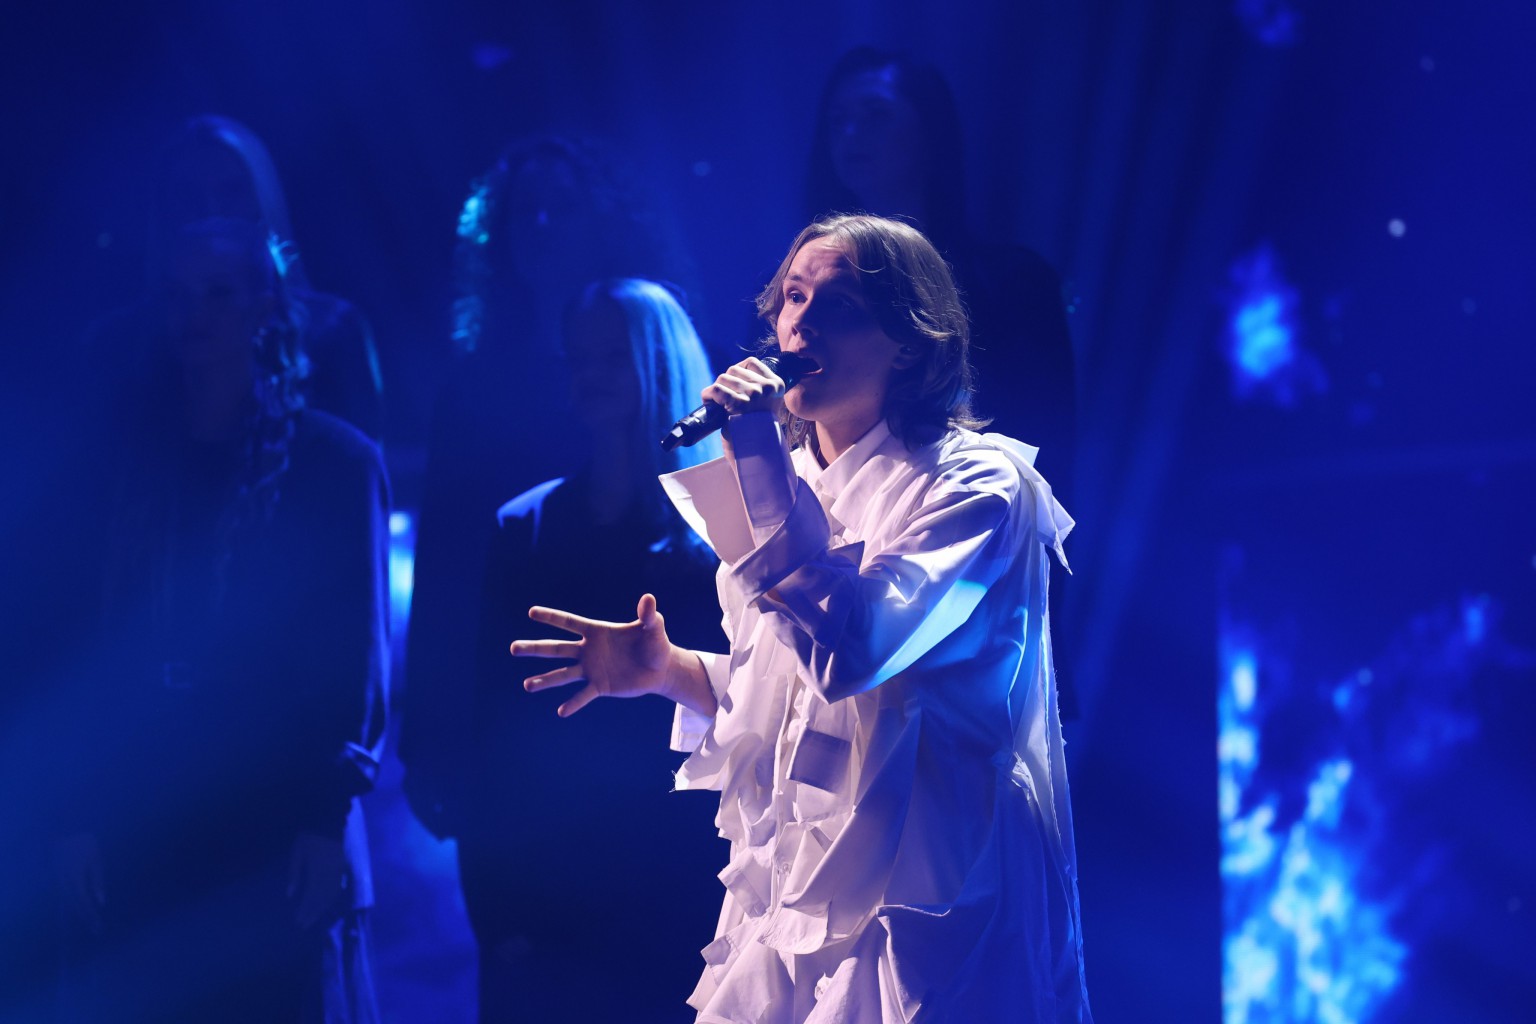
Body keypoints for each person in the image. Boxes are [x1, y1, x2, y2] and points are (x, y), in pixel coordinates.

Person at [513, 215, 1091, 1022]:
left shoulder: (978, 487)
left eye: (839, 305)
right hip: (795, 885)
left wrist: (753, 450)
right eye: (792, 297)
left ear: (910, 342)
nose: (801, 323)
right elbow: (797, 706)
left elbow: (857, 651)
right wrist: (673, 671)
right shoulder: (789, 483)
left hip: (929, 888)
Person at [55, 217, 389, 1022]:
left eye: (217, 294)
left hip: (270, 808)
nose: (195, 314)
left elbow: (354, 654)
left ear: (264, 306)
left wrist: (323, 815)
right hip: (142, 805)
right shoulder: (123, 462)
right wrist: (76, 817)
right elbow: (76, 644)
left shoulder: (332, 463)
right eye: (178, 295)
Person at [449, 278, 728, 1022]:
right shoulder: (526, 527)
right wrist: (497, 905)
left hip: (688, 879)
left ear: (660, 361)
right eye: (578, 358)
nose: (589, 376)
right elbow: (491, 729)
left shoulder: (731, 538)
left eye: (613, 356)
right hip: (552, 886)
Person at [401, 136, 694, 840]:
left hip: (651, 717)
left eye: (561, 206)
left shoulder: (669, 371)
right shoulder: (473, 388)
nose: (540, 224)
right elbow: (443, 572)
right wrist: (428, 741)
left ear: (603, 219)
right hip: (512, 685)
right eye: (524, 209)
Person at [805, 47, 1076, 503]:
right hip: (827, 522)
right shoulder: (800, 289)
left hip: (975, 516)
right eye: (838, 120)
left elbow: (1047, 437)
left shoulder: (1012, 283)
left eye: (876, 114)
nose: (850, 134)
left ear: (929, 130)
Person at [94, 115, 385, 442]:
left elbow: (360, 458)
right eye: (188, 195)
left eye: (232, 190)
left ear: (262, 199)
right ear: (164, 209)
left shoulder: (333, 329)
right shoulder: (117, 344)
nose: (211, 209)